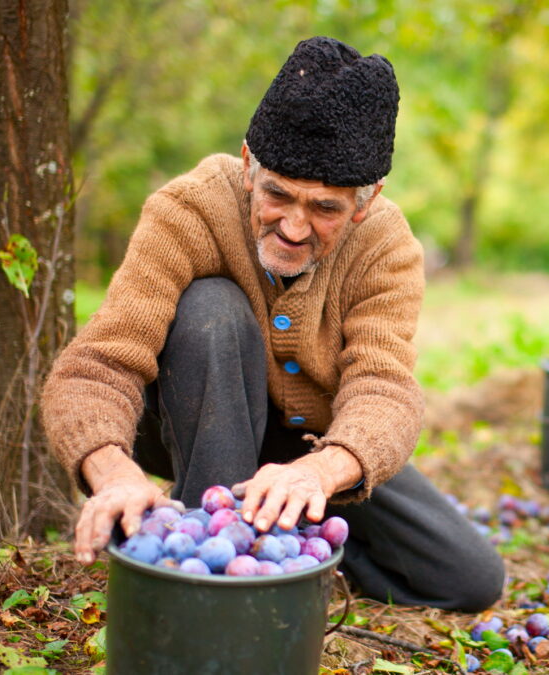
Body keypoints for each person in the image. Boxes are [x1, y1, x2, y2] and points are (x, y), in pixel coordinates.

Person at [41, 36, 505, 612]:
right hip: (190, 412)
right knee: (212, 308)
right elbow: (99, 364)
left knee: (469, 579)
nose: (292, 227)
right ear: (247, 165)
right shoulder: (188, 210)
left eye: (325, 209)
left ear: (365, 201)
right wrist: (113, 472)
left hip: (309, 447)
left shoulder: (386, 246)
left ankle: (291, 540)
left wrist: (321, 470)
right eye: (277, 195)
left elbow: (384, 389)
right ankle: (206, 567)